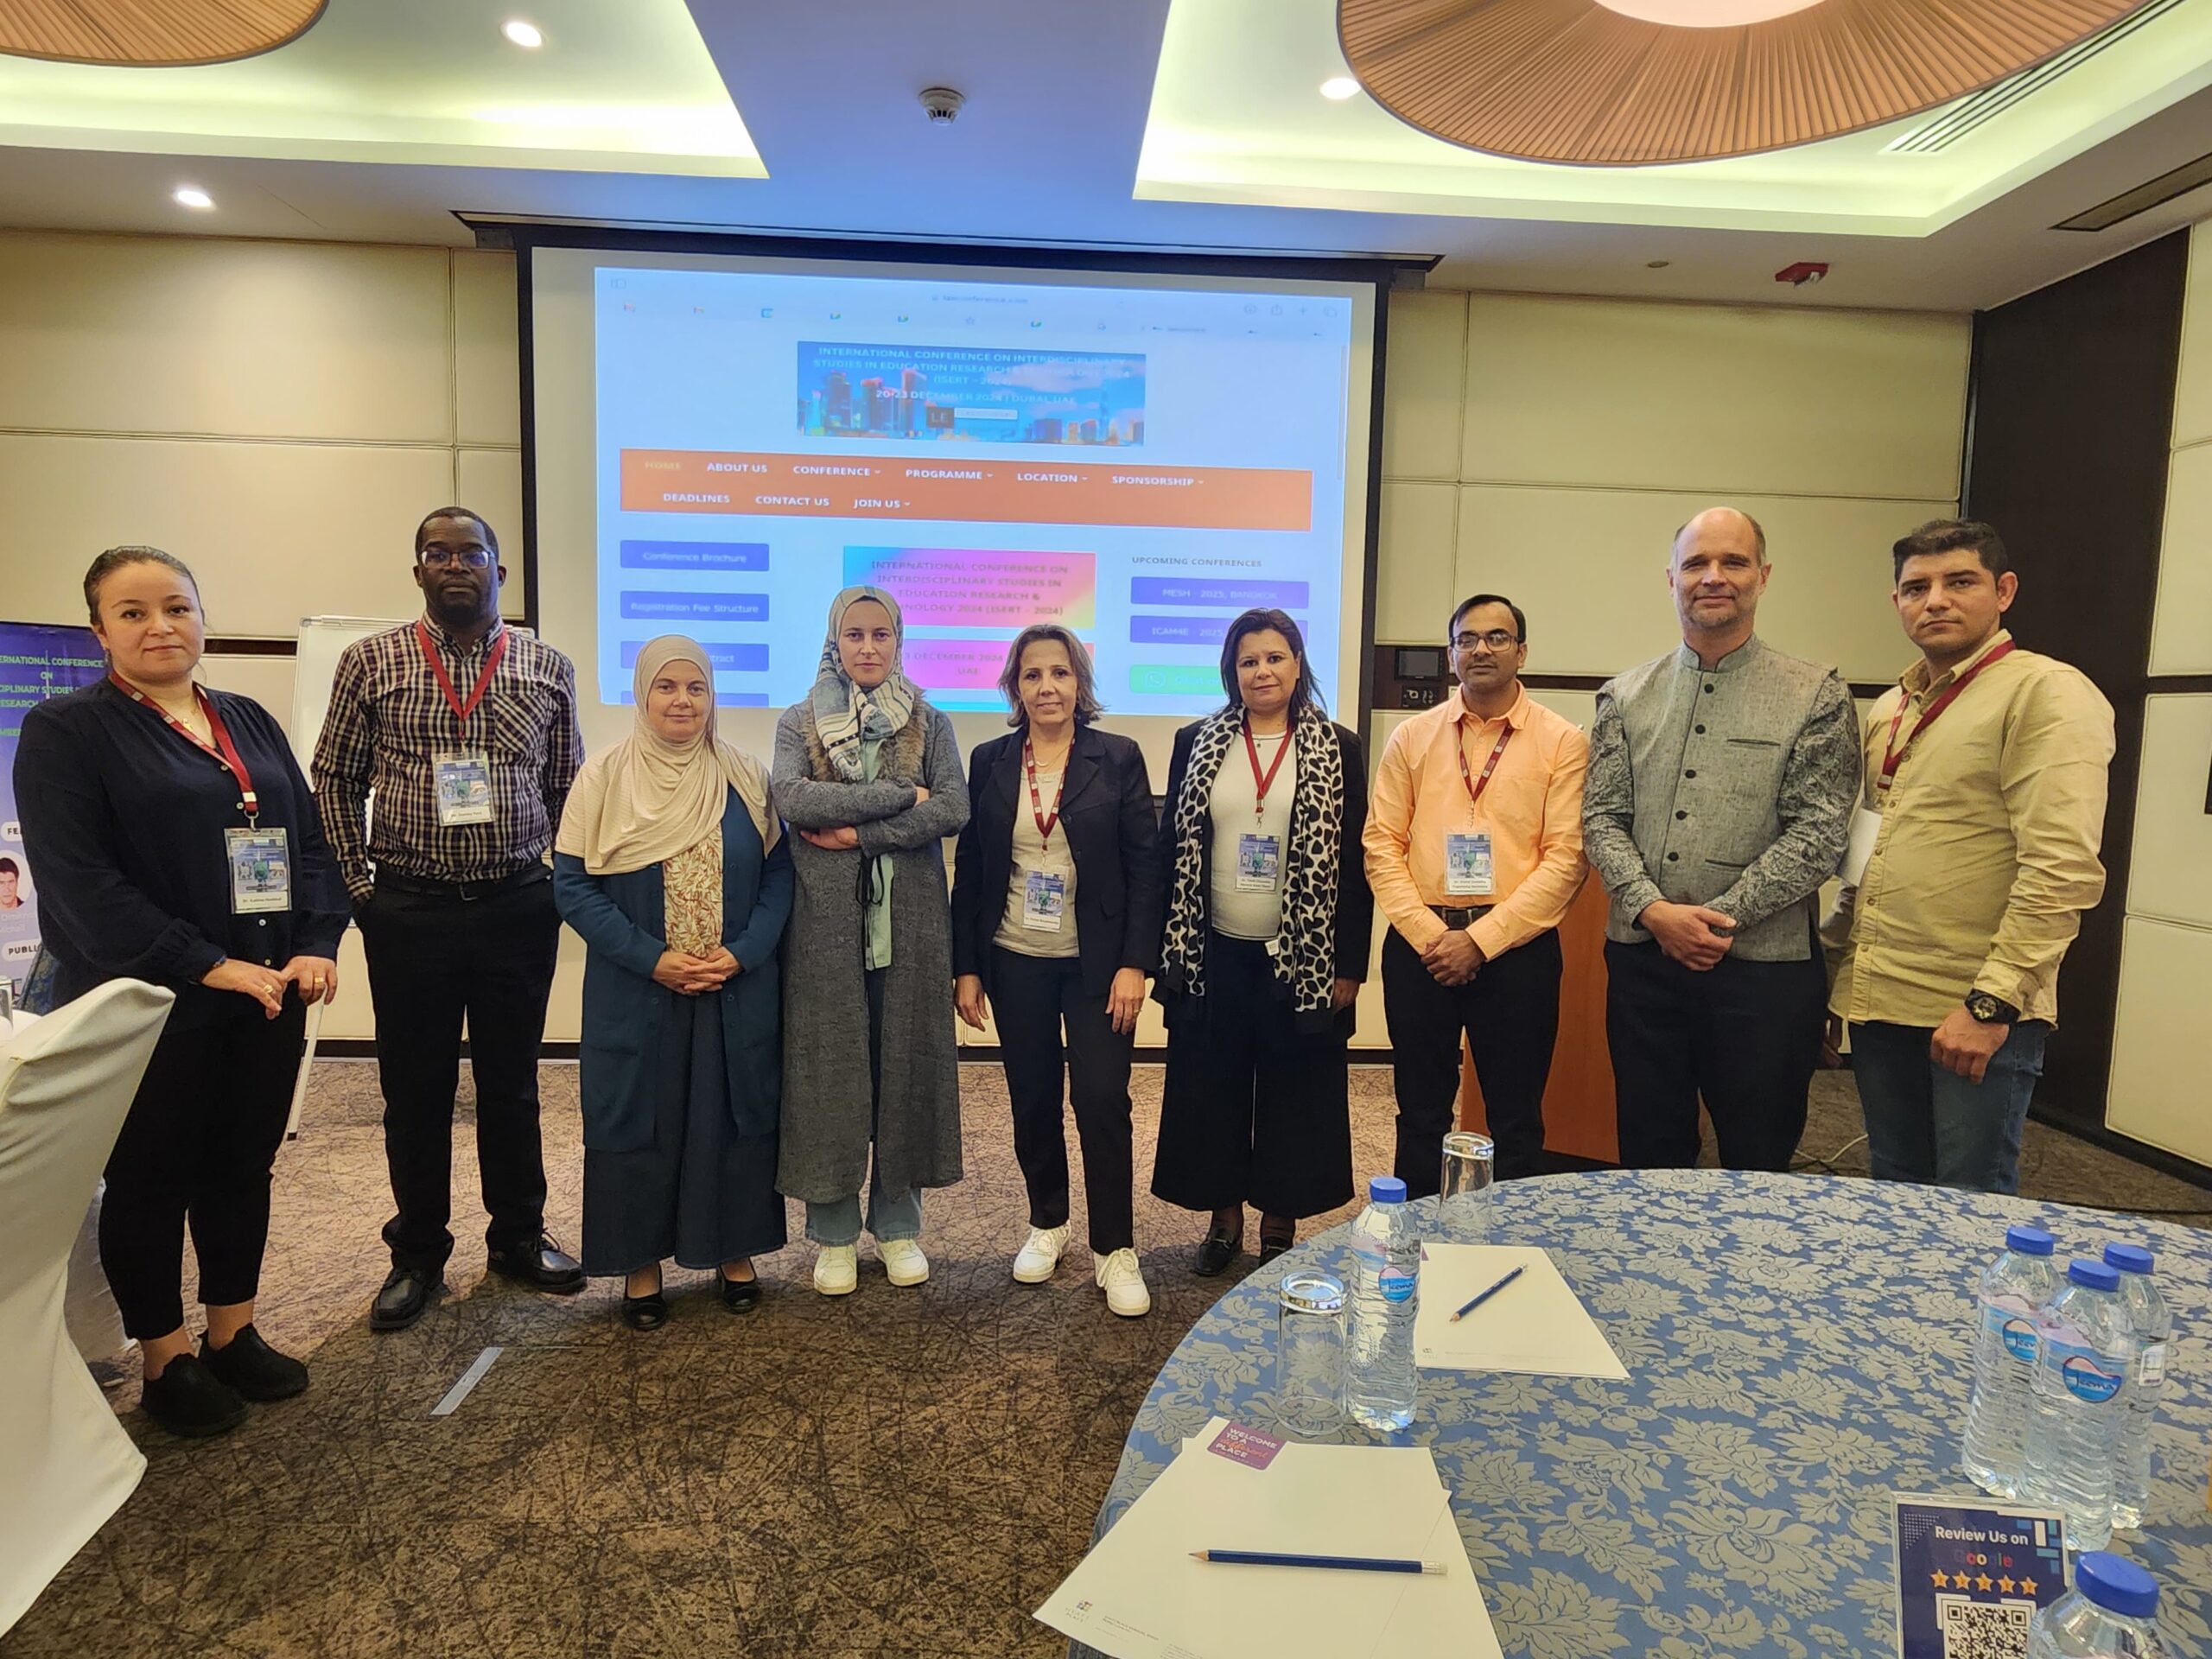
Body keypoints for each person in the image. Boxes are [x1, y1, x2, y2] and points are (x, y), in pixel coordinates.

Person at [15, 547, 347, 1437]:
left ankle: (233, 1331)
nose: (159, 626)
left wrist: (315, 942)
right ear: (99, 631)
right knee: (150, 1178)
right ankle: (167, 1360)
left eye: (176, 607)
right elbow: (82, 888)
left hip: (267, 992)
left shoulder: (246, 718)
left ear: (201, 617)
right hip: (148, 1003)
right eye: (133, 613)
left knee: (242, 1167)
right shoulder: (66, 729)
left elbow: (309, 842)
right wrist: (204, 962)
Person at [315, 507, 586, 1332]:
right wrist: (359, 888)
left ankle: (518, 1237)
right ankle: (418, 1254)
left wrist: (555, 881)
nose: (455, 564)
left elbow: (567, 784)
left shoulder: (547, 664)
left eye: (472, 552)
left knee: (512, 1084)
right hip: (411, 910)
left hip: (516, 906)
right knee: (415, 1090)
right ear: (418, 573)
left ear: (500, 570)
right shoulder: (370, 661)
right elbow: (334, 779)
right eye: (438, 553)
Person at [1823, 520, 2113, 1194]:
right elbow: (1867, 852)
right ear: (1897, 602)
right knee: (1894, 1186)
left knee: (1969, 1201)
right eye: (1916, 588)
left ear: (2004, 591)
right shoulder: (1891, 708)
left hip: (1974, 1005)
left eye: (1959, 582)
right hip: (1879, 998)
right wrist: (1836, 971)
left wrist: (1991, 1005)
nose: (1935, 601)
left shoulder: (2045, 692)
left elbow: (2061, 869)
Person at [1583, 508, 1857, 1172]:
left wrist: (1716, 920)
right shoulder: (1625, 695)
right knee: (1649, 1152)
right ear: (1671, 579)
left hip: (1765, 974)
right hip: (1645, 965)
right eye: (1696, 564)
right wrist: (1655, 911)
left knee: (1757, 1161)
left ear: (1763, 576)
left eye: (1733, 562)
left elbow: (1820, 832)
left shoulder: (1816, 694)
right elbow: (1601, 818)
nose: (1713, 577)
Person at [554, 638, 793, 1327]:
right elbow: (572, 887)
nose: (682, 701)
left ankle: (733, 1252)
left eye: (696, 688)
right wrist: (651, 958)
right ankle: (640, 1265)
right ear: (642, 693)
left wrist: (742, 953)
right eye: (667, 687)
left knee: (731, 1115)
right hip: (639, 991)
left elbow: (779, 878)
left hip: (731, 989)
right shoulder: (604, 778)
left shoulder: (745, 775)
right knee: (640, 1119)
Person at [1151, 608, 1372, 1273]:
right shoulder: (1197, 741)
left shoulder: (1338, 746)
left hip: (1302, 958)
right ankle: (1224, 1220)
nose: (1262, 671)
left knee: (1295, 1090)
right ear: (1232, 672)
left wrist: (1349, 965)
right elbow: (1171, 848)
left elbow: (1355, 863)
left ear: (1298, 664)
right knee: (1211, 1086)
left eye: (1275, 657)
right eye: (1248, 661)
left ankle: (1280, 1220)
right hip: (1212, 952)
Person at [950, 624, 1162, 1316]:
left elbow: (1145, 868)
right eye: (1033, 675)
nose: (1047, 687)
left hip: (1098, 966)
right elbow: (974, 867)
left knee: (1102, 1099)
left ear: (1080, 683)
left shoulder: (1118, 756)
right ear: (1015, 686)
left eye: (1061, 673)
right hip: (1015, 958)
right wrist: (967, 966)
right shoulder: (989, 760)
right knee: (1032, 1099)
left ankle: (1115, 1248)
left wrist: (1135, 964)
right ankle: (1048, 1221)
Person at [772, 587, 969, 1296]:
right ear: (835, 641)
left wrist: (859, 834)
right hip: (823, 933)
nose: (867, 647)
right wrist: (901, 796)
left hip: (909, 931)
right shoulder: (800, 720)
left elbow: (953, 806)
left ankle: (897, 1227)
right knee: (827, 1078)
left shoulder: (930, 720)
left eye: (880, 634)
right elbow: (794, 799)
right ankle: (832, 1234)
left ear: (898, 640)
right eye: (853, 634)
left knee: (904, 1071)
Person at [1365, 594, 1588, 1190]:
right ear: (1451, 654)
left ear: (1522, 652)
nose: (1481, 649)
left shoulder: (1562, 742)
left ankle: (1510, 1236)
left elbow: (1566, 859)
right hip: (1422, 948)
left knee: (1516, 1118)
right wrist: (1433, 936)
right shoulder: (1412, 737)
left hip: (1517, 953)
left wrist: (1480, 941)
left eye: (1497, 637)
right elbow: (1381, 844)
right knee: (1420, 1111)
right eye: (1467, 639)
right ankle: (1414, 1230)